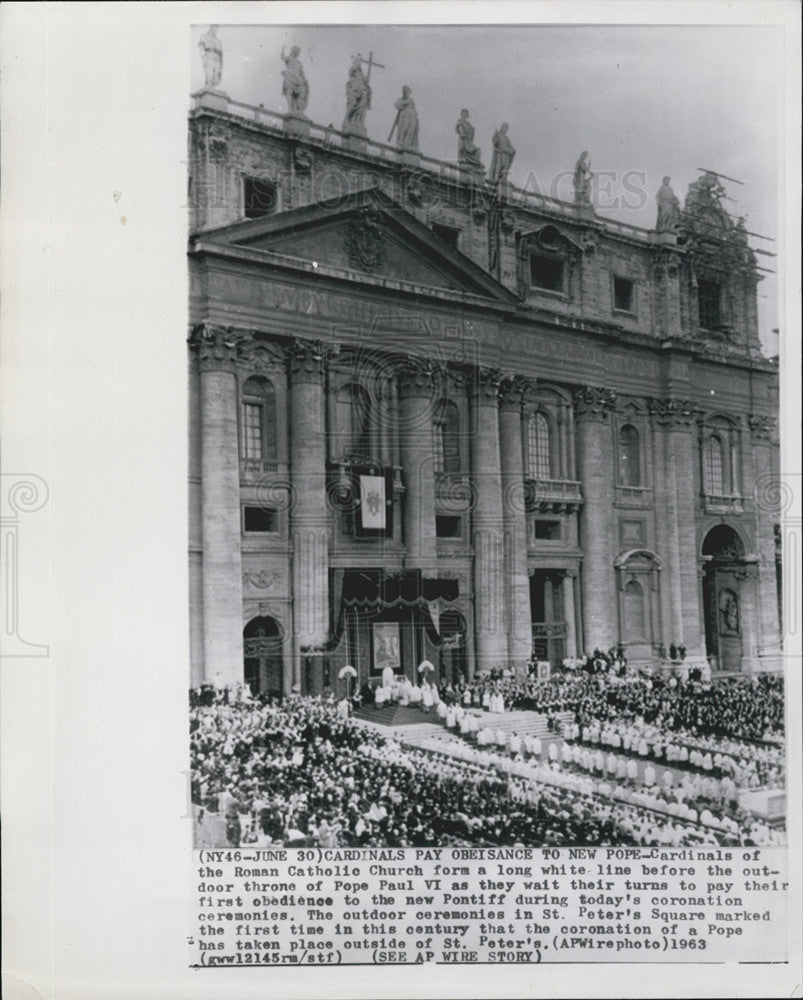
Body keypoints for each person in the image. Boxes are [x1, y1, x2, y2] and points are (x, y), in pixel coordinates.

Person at [343, 56, 371, 132]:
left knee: (362, 107)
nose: (360, 63)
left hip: (362, 91)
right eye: (358, 62)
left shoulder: (361, 73)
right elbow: (353, 70)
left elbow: (365, 80)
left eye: (360, 62)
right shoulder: (353, 71)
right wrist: (358, 61)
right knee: (353, 105)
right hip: (354, 92)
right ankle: (347, 120)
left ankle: (357, 122)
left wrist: (367, 78)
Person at [281, 45, 309, 113]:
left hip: (298, 80)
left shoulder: (299, 63)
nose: (297, 53)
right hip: (289, 76)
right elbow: (282, 57)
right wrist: (283, 48)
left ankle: (299, 110)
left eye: (298, 52)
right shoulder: (289, 58)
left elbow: (302, 74)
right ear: (293, 51)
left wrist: (304, 80)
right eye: (296, 51)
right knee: (289, 92)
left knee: (302, 93)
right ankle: (290, 110)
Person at [390, 86, 419, 152]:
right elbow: (397, 105)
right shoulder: (401, 99)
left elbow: (414, 109)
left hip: (412, 117)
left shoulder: (412, 100)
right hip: (403, 116)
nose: (406, 93)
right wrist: (406, 102)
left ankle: (407, 145)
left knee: (410, 132)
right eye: (404, 91)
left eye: (407, 91)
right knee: (403, 130)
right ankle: (401, 144)